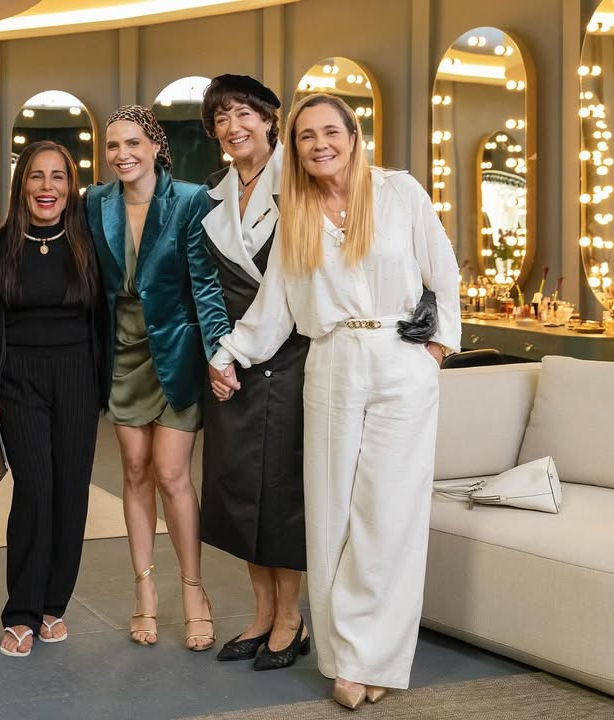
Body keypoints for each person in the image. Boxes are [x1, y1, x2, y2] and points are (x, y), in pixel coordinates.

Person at [209, 93, 460, 709]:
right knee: (331, 517)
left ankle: (375, 659)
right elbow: (275, 303)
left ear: (353, 135)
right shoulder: (296, 210)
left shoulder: (400, 193)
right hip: (331, 363)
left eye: (330, 131)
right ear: (294, 148)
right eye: (305, 136)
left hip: (402, 363)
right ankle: (346, 657)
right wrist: (230, 352)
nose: (319, 144)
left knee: (389, 516)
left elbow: (444, 273)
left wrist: (435, 352)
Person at [85, 105, 230, 652]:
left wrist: (218, 353)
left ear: (154, 146)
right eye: (113, 145)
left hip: (176, 353)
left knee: (172, 474)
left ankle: (194, 591)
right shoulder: (95, 202)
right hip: (122, 353)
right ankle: (144, 590)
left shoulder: (191, 199)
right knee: (135, 470)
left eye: (132, 143)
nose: (122, 154)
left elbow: (205, 284)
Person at [198, 75, 311, 670]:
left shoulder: (300, 183)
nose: (233, 126)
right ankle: (263, 612)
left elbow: (287, 287)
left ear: (270, 118)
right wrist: (216, 355)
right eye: (221, 118)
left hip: (287, 356)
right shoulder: (215, 194)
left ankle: (291, 618)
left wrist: (233, 353)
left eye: (244, 113)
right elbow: (207, 287)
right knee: (240, 489)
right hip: (232, 360)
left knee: (280, 491)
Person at [0, 141, 104, 657]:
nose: (47, 187)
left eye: (58, 177)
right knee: (34, 490)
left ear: (71, 186)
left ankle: (54, 605)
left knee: (70, 493)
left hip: (78, 378)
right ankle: (21, 611)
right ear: (21, 185)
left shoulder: (90, 244)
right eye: (36, 176)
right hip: (18, 381)